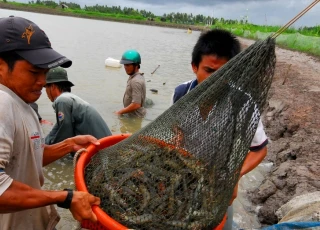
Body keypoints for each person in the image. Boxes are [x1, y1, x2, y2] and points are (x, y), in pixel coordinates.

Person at [0, 16, 101, 229]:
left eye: (45, 73)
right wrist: (64, 197)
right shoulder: (2, 102)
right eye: (34, 72)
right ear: (1, 66)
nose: (43, 82)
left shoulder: (21, 102)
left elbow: (25, 158)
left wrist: (67, 145)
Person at [171, 29, 268, 229]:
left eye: (224, 72)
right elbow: (176, 129)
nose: (216, 80)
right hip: (183, 176)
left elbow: (259, 149)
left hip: (218, 183)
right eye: (209, 71)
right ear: (194, 67)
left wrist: (235, 176)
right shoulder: (182, 93)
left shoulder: (243, 103)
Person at [44, 67, 112, 145]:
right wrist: (45, 143)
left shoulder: (62, 101)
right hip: (105, 143)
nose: (46, 92)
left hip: (99, 146)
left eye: (46, 88)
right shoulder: (70, 99)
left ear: (52, 87)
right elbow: (58, 127)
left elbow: (65, 132)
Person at [116, 49, 146, 117]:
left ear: (136, 65)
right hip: (131, 116)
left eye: (128, 65)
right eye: (124, 65)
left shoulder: (136, 81)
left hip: (135, 117)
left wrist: (120, 112)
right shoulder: (135, 76)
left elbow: (136, 104)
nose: (125, 68)